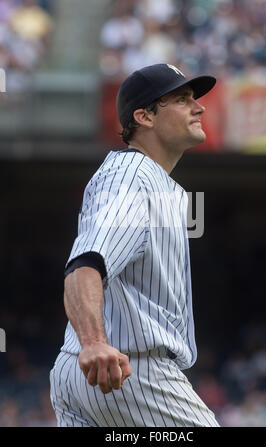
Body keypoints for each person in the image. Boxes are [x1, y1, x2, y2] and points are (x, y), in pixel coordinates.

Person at [49, 63, 219, 427]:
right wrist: (94, 341)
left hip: (89, 369)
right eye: (182, 99)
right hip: (129, 371)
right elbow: (85, 264)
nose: (199, 107)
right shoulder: (132, 177)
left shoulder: (155, 183)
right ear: (144, 116)